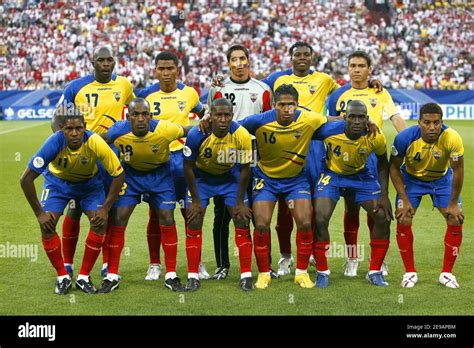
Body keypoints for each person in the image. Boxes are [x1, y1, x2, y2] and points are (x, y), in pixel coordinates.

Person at [260, 42, 384, 275]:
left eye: (306, 55)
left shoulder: (325, 80)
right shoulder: (277, 78)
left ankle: (316, 257)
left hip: (315, 147)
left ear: (312, 57)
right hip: (289, 143)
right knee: (287, 206)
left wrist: (370, 84)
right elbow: (256, 87)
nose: (302, 58)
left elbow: (345, 92)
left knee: (313, 204)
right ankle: (286, 256)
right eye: (297, 55)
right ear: (291, 57)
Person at [20, 107, 125, 294]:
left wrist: (105, 208)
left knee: (100, 223)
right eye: (69, 129)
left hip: (89, 186)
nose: (74, 133)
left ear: (85, 127)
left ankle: (84, 277)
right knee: (47, 225)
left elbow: (118, 174)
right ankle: (62, 276)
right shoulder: (53, 143)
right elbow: (25, 179)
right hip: (57, 184)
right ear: (61, 129)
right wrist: (39, 214)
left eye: (78, 128)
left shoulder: (95, 142)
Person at [52, 46, 135, 278]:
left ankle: (107, 263)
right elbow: (57, 119)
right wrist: (64, 144)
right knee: (75, 207)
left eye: (110, 60)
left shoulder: (125, 85)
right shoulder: (75, 87)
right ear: (93, 62)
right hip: (82, 153)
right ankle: (68, 263)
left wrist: (121, 132)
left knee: (108, 209)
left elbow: (138, 112)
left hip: (110, 154)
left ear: (115, 62)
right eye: (101, 60)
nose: (106, 64)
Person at [98, 98, 192, 293]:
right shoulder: (118, 130)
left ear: (150, 116)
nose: (140, 118)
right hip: (131, 176)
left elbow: (188, 130)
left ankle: (171, 274)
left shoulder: (165, 129)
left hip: (160, 176)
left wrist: (210, 125)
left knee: (166, 217)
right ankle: (112, 274)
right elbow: (97, 140)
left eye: (144, 114)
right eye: (135, 115)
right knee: (119, 217)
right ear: (128, 116)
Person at [325, 50, 407, 277]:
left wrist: (410, 140)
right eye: (353, 65)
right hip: (346, 158)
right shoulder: (338, 95)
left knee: (376, 211)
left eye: (362, 65)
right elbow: (329, 126)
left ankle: (376, 262)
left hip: (374, 157)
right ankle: (352, 258)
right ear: (348, 68)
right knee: (350, 209)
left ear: (369, 69)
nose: (357, 69)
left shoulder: (379, 92)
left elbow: (395, 117)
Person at [238, 84, 327, 289]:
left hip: (296, 180)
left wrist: (361, 121)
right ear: (274, 105)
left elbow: (333, 123)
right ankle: (263, 273)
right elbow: (232, 127)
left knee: (305, 222)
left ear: (297, 105)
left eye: (291, 105)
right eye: (282, 105)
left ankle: (302, 273)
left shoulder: (309, 118)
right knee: (261, 224)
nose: (287, 109)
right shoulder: (257, 121)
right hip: (266, 180)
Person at [136, 51, 207, 281]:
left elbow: (201, 113)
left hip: (185, 161)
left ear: (178, 69)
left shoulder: (189, 93)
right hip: (158, 162)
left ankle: (196, 263)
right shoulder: (145, 95)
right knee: (156, 214)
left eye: (170, 69)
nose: (166, 74)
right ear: (155, 70)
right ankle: (155, 264)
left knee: (191, 211)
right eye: (161, 69)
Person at [207, 44, 272, 280]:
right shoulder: (218, 88)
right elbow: (208, 118)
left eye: (242, 58)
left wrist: (264, 157)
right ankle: (223, 264)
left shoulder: (262, 89)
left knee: (259, 210)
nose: (239, 63)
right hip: (225, 151)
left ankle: (266, 265)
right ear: (228, 63)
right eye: (233, 59)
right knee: (222, 212)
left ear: (248, 60)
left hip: (253, 151)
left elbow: (267, 125)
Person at [313, 100, 393, 288]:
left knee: (383, 217)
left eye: (361, 117)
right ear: (345, 117)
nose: (357, 121)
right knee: (320, 218)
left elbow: (383, 163)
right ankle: (322, 272)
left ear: (367, 119)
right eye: (352, 117)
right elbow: (306, 130)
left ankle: (374, 271)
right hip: (332, 175)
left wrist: (384, 194)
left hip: (360, 176)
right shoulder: (329, 130)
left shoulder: (375, 135)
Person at [390, 103, 464, 289]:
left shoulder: (452, 137)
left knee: (455, 218)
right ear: (419, 122)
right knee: (403, 216)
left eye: (437, 123)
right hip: (412, 180)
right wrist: (404, 199)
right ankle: (410, 272)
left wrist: (454, 202)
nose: (432, 127)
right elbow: (393, 167)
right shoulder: (404, 138)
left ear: (442, 122)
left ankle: (447, 273)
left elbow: (458, 170)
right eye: (427, 122)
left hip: (441, 180)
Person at [183, 98, 254, 291]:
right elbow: (187, 167)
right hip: (202, 179)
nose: (223, 119)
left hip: (229, 178)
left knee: (241, 218)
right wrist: (196, 200)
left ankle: (246, 275)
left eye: (227, 115)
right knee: (194, 219)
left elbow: (246, 169)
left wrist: (240, 201)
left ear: (232, 116)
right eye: (218, 115)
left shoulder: (241, 135)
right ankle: (192, 276)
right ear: (211, 116)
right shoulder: (197, 134)